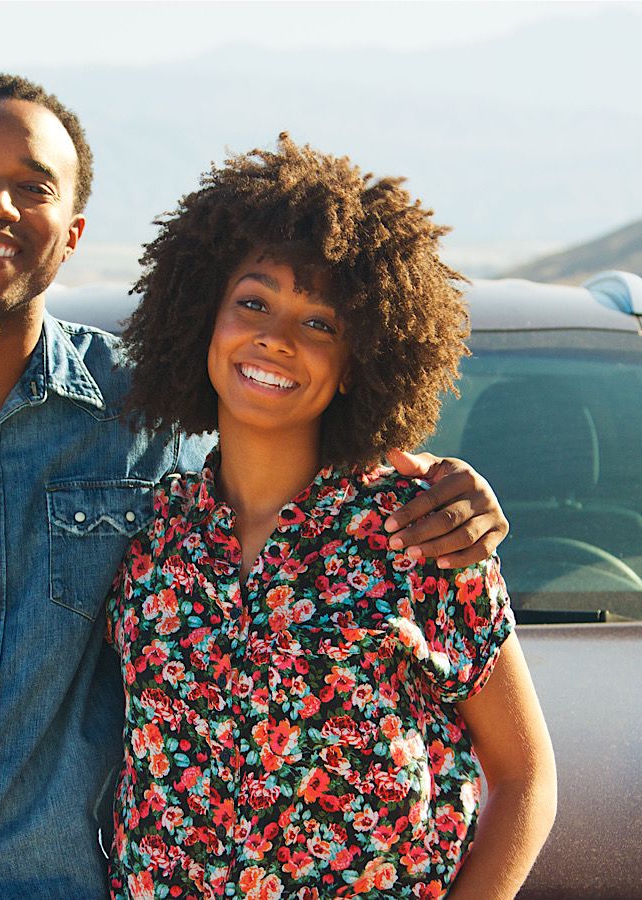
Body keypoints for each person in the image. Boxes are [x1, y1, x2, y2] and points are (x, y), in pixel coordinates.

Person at [0, 76, 510, 899]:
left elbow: (281, 451)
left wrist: (450, 483)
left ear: (74, 231)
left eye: (33, 187)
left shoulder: (150, 412)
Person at [106, 138, 556, 898]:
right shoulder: (148, 536)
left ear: (359, 362)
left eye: (321, 324)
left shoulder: (420, 531)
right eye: (253, 302)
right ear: (201, 320)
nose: (276, 337)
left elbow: (525, 777)